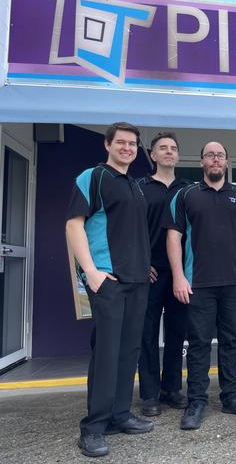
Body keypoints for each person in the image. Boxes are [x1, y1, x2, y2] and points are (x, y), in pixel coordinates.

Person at [66, 122, 153, 458]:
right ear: (107, 144)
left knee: (129, 350)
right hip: (109, 280)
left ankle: (119, 415)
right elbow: (74, 224)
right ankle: (94, 427)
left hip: (137, 281)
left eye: (132, 144)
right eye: (121, 142)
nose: (127, 148)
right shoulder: (93, 177)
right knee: (106, 353)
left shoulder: (134, 185)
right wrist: (91, 272)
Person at [167, 141, 236, 430]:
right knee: (198, 344)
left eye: (220, 155)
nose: (215, 160)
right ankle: (196, 401)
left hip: (235, 284)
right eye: (210, 155)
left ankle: (232, 397)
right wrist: (178, 276)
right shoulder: (186, 195)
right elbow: (173, 238)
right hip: (198, 285)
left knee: (232, 342)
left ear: (226, 161)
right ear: (201, 162)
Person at [136, 132, 190, 417]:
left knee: (176, 333)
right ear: (153, 155)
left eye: (173, 148)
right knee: (146, 334)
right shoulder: (140, 187)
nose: (168, 152)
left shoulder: (187, 189)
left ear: (178, 155)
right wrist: (142, 263)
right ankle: (149, 394)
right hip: (151, 272)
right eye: (162, 148)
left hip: (179, 273)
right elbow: (130, 230)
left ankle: (171, 389)